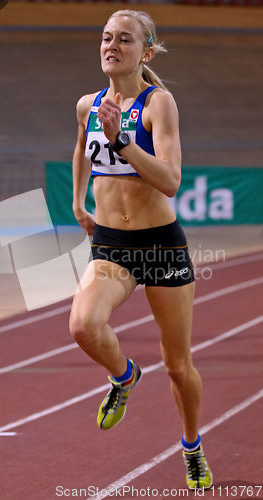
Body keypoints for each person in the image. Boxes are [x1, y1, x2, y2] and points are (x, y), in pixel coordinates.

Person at [69, 9, 212, 490]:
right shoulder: (88, 105)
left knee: (177, 364)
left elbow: (171, 181)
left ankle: (191, 446)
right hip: (112, 245)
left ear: (145, 52)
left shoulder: (159, 104)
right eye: (106, 38)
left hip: (160, 246)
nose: (112, 46)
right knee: (83, 325)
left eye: (124, 39)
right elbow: (81, 147)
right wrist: (77, 200)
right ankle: (124, 376)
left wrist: (122, 141)